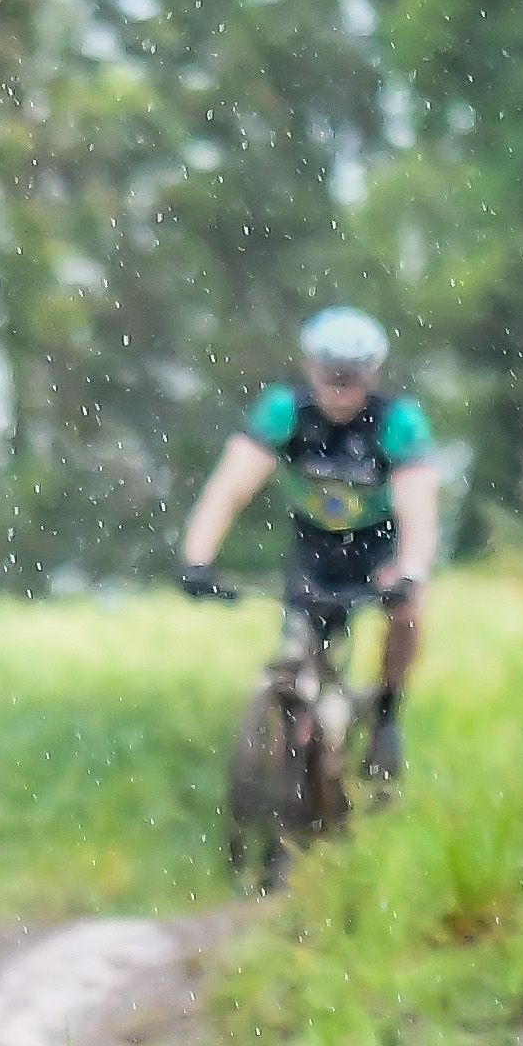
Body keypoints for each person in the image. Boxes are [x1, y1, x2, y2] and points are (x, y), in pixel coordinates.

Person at [178, 307, 441, 793]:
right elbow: (229, 488)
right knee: (297, 657)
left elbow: (418, 508)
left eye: (351, 377)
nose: (340, 389)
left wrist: (412, 572)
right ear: (309, 367)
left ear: (372, 374)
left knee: (408, 614)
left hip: (378, 549)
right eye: (330, 375)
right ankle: (288, 757)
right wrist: (197, 558)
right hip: (315, 548)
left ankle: (387, 712)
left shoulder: (396, 422)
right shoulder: (286, 412)